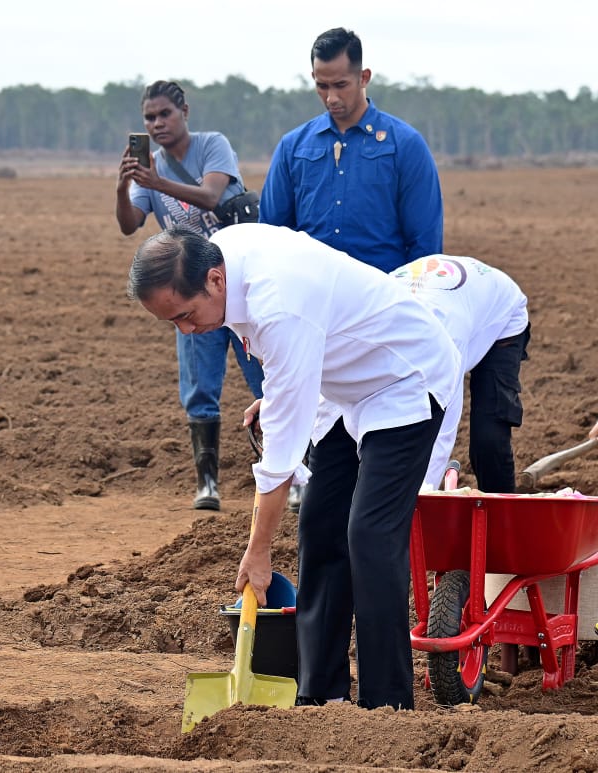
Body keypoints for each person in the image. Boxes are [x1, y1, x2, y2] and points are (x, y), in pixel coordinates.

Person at [127, 223, 462, 710]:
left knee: (370, 535)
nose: (186, 331)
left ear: (215, 281)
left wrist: (257, 553)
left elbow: (279, 462)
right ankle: (320, 694)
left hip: (404, 376)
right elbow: (290, 353)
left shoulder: (277, 301)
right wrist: (284, 389)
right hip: (341, 381)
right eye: (171, 323)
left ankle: (386, 704)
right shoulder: (221, 256)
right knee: (322, 529)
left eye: (186, 315)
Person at [258, 27, 444, 510]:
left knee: (381, 433)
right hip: (318, 321)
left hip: (384, 321)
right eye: (321, 85)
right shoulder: (294, 147)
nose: (331, 96)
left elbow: (425, 248)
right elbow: (271, 239)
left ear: (363, 77)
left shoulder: (404, 145)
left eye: (340, 84)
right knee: (329, 439)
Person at [116, 80, 265, 511]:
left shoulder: (211, 146)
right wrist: (123, 186)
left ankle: (292, 476)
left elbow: (211, 194)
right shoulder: (150, 169)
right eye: (149, 117)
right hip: (188, 291)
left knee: (265, 377)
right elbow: (130, 224)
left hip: (234, 284)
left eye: (165, 114)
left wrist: (156, 181)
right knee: (200, 385)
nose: (157, 123)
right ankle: (208, 483)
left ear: (185, 112)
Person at [314, 255, 530, 492]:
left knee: (488, 437)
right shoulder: (363, 328)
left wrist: (420, 491)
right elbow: (331, 407)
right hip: (442, 296)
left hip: (499, 316)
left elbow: (440, 427)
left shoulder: (439, 341)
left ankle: (502, 519)